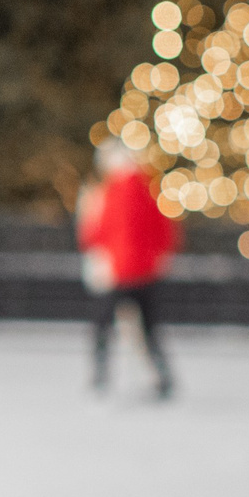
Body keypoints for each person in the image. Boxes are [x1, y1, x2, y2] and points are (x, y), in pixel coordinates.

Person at [77, 140, 179, 398]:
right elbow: (166, 230)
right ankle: (163, 378)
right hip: (147, 272)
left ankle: (101, 378)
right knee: (148, 329)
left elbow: (95, 231)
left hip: (116, 272)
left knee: (103, 326)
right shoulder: (149, 188)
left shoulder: (108, 192)